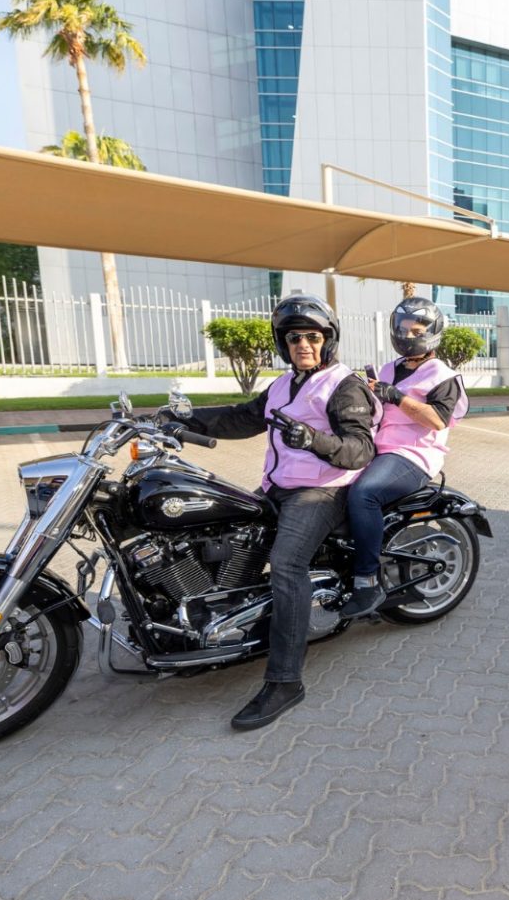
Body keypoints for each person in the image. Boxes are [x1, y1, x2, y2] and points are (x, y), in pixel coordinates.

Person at [183, 295, 379, 730]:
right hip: (279, 487)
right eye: (294, 338)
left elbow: (360, 449)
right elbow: (240, 418)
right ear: (283, 344)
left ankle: (286, 681)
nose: (303, 344)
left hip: (323, 491)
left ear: (328, 340)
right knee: (225, 527)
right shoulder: (282, 385)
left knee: (287, 564)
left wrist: (313, 440)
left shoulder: (344, 385)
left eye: (312, 337)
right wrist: (184, 418)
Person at [339, 298, 469, 619]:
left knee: (365, 495)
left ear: (432, 333)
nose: (408, 335)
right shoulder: (389, 368)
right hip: (378, 449)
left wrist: (396, 396)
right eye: (403, 329)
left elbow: (437, 419)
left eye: (417, 330)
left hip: (413, 455)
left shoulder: (443, 376)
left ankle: (367, 581)